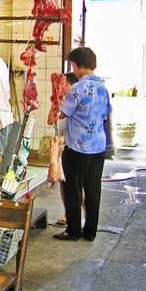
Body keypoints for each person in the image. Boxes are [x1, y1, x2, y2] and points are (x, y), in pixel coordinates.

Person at [54, 47, 110, 242]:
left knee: (73, 189)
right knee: (93, 188)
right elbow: (106, 113)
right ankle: (90, 231)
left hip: (78, 146)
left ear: (76, 66)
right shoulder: (103, 87)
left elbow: (61, 113)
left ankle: (73, 230)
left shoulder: (78, 88)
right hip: (98, 145)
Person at [47, 72, 85, 226]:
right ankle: (67, 213)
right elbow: (50, 121)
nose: (63, 88)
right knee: (64, 181)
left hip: (74, 146)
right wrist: (54, 102)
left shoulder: (74, 101)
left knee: (76, 184)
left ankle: (85, 214)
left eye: (65, 85)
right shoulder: (58, 101)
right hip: (61, 145)